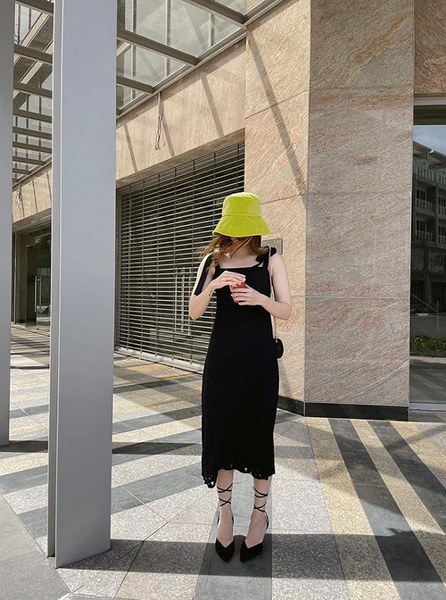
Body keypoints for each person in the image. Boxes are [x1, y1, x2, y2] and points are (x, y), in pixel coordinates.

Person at [188, 191, 292, 562]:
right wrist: (213, 285)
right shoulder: (212, 260)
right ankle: (226, 513)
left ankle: (259, 516)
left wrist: (259, 299)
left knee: (258, 436)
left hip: (260, 363)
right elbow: (194, 311)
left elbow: (287, 310)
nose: (237, 233)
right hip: (222, 362)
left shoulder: (270, 258)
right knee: (223, 434)